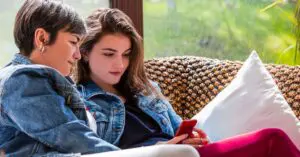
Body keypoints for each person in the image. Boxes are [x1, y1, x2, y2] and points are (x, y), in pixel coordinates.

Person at [76, 8, 300, 157]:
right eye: (109, 54)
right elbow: (94, 154)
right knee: (272, 138)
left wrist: (193, 138)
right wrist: (159, 149)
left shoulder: (147, 90)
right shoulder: (79, 102)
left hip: (184, 155)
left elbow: (177, 132)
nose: (120, 63)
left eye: (126, 54)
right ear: (84, 53)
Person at [0, 0, 121, 156]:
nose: (78, 55)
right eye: (73, 42)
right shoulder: (20, 80)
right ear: (42, 38)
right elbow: (72, 137)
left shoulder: (42, 83)